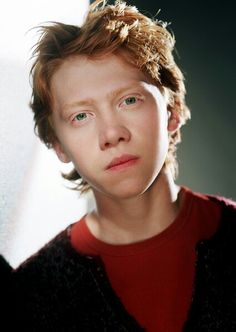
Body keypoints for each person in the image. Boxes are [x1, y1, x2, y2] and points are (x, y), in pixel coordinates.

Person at [12, 0, 236, 331]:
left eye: (129, 100)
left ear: (171, 112)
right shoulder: (30, 294)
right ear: (58, 146)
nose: (112, 134)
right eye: (81, 116)